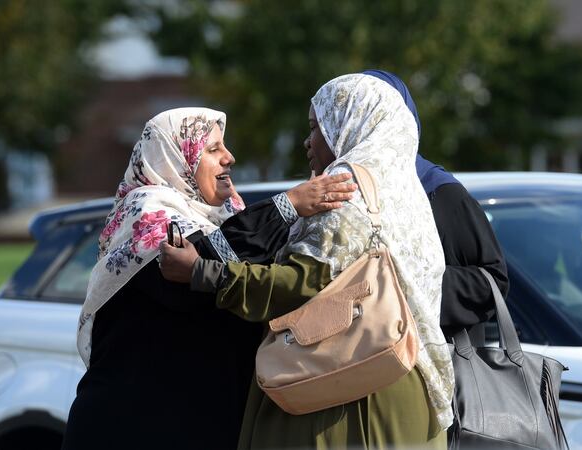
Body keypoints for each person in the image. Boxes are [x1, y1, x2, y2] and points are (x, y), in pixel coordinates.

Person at [159, 75, 454, 449]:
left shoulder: (344, 190)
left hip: (345, 394)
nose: (307, 141)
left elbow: (301, 287)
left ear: (348, 123)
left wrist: (201, 272)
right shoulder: (406, 193)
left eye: (317, 126)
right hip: (407, 382)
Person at [61, 107, 357, 450]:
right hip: (131, 428)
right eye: (213, 149)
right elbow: (201, 263)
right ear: (175, 158)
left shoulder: (224, 214)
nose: (229, 158)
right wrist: (288, 204)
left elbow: (248, 273)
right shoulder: (146, 211)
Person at [362, 69, 509, 345]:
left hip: (438, 369)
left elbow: (491, 281)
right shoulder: (337, 190)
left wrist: (401, 284)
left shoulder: (439, 192)